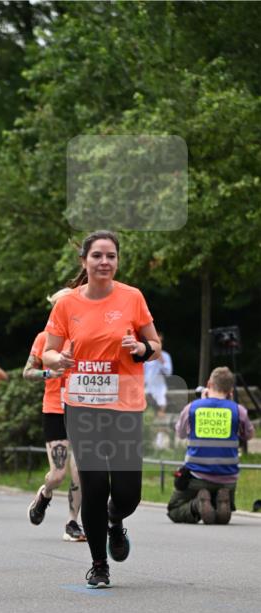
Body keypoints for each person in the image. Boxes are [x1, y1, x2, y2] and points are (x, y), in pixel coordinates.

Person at [43, 230, 160, 588]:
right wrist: (58, 359)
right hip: (82, 406)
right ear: (84, 261)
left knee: (128, 494)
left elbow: (154, 343)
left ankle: (114, 520)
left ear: (117, 261)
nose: (104, 262)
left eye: (111, 256)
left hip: (124, 406)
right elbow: (47, 350)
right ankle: (98, 564)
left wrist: (140, 348)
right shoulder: (67, 305)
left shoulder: (132, 298)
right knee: (93, 484)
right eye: (97, 256)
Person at [24, 290, 86, 542]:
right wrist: (49, 374)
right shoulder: (43, 339)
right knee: (58, 474)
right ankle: (45, 493)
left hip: (81, 409)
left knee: (80, 470)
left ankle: (72, 522)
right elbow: (28, 372)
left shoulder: (85, 335)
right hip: (54, 409)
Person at [167, 366, 255, 524]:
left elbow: (179, 433)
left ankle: (197, 505)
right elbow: (249, 434)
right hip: (228, 478)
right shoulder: (238, 410)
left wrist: (202, 402)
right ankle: (220, 503)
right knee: (218, 506)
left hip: (196, 476)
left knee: (174, 509)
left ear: (208, 384)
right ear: (230, 390)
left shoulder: (192, 408)